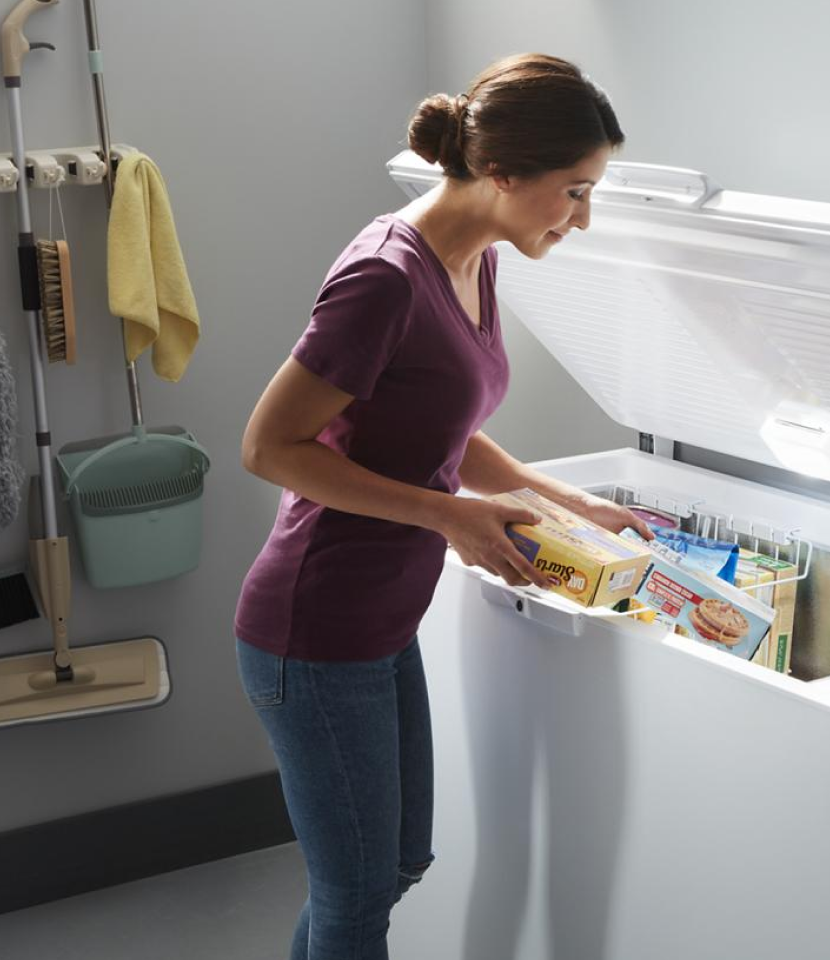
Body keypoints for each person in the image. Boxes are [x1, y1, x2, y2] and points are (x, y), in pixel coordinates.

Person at [234, 53, 650, 960]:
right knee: (354, 897)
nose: (585, 217)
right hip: (312, 628)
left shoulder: (475, 259)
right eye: (575, 192)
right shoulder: (385, 277)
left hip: (379, 623)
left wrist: (559, 495)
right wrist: (448, 515)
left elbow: (439, 424)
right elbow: (269, 447)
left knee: (395, 868)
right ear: (503, 174)